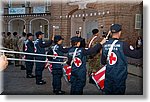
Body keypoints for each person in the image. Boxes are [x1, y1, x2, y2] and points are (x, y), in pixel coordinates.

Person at [101, 24, 143, 95]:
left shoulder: (105, 44)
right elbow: (137, 55)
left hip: (109, 75)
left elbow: (103, 61)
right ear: (120, 32)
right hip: (119, 76)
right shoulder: (123, 45)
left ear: (111, 33)